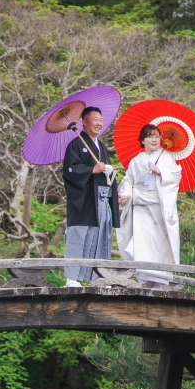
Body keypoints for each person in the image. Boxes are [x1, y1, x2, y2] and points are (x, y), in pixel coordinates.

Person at [62, 106, 120, 286]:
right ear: (84, 123)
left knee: (102, 237)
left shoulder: (101, 146)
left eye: (101, 120)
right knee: (79, 236)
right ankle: (72, 278)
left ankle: (100, 278)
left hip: (103, 199)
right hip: (85, 201)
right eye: (95, 119)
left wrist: (113, 191)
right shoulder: (76, 145)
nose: (99, 123)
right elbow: (70, 171)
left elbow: (105, 176)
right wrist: (91, 169)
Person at [117, 124, 181, 284]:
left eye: (157, 136)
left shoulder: (167, 159)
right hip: (140, 212)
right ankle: (144, 281)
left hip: (159, 210)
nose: (154, 139)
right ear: (142, 140)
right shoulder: (136, 161)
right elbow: (127, 182)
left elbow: (175, 178)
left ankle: (161, 281)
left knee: (160, 246)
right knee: (142, 245)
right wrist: (124, 195)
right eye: (150, 136)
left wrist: (161, 172)